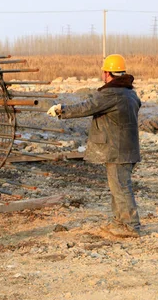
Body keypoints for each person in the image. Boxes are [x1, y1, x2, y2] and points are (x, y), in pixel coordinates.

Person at [47, 54, 142, 238]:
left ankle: (131, 227)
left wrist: (61, 109)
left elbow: (87, 106)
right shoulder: (130, 93)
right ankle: (119, 222)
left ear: (107, 74)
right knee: (118, 187)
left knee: (121, 188)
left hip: (118, 150)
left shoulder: (112, 94)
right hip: (127, 148)